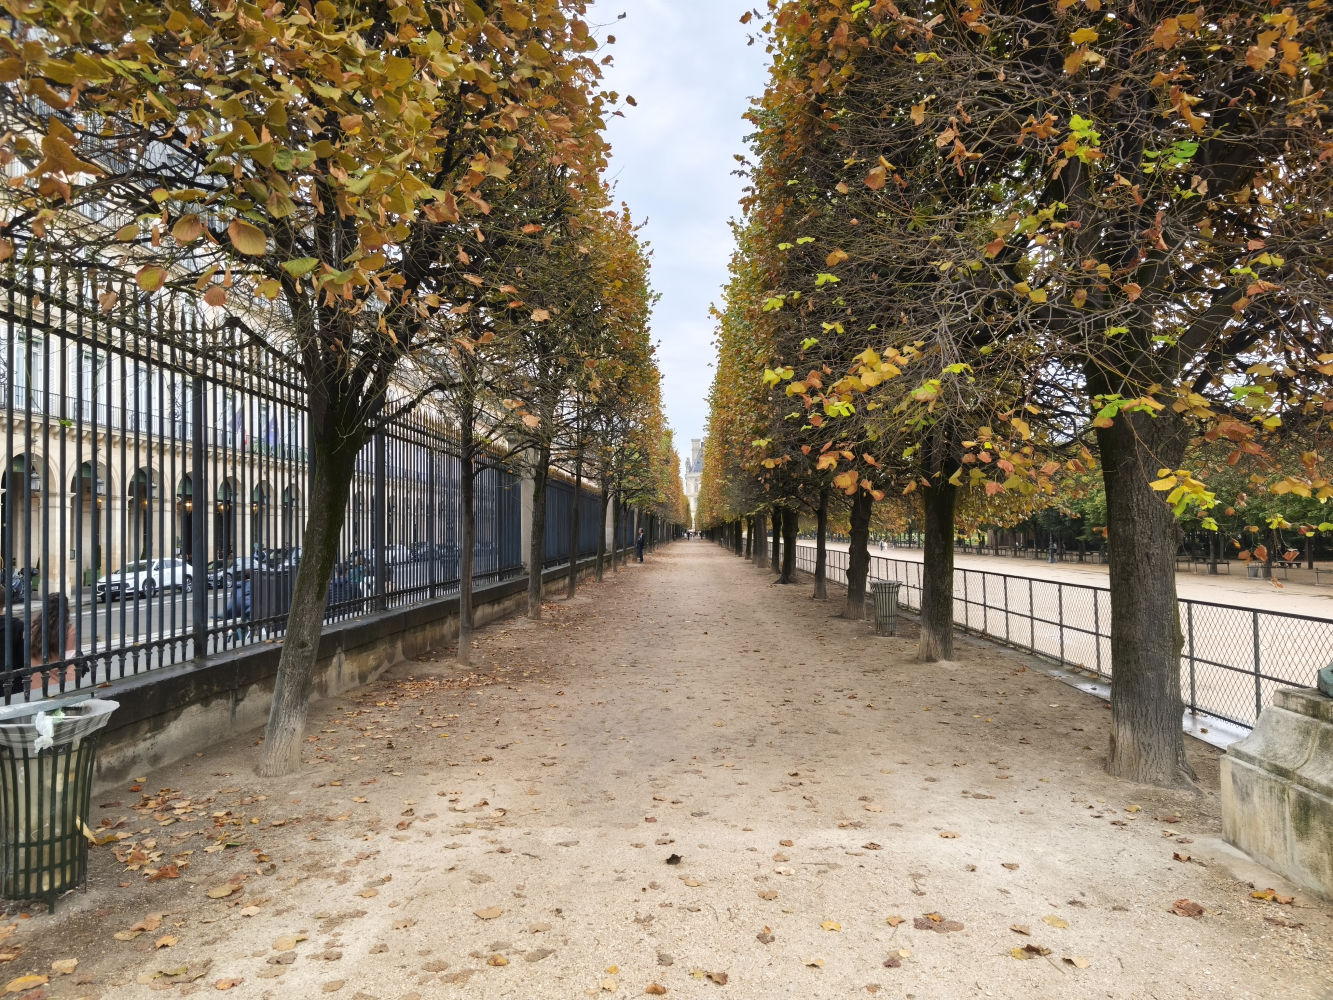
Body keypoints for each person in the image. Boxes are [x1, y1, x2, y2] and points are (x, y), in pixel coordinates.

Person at [28, 593, 81, 694]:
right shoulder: (69, 631)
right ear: (66, 609)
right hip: (57, 686)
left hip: (34, 685)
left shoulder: (32, 630)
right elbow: (70, 663)